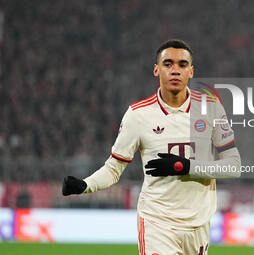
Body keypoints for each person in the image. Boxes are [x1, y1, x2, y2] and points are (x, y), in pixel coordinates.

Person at [62, 39, 241, 255]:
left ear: (191, 71)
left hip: (198, 224)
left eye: (182, 65)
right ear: (156, 70)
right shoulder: (138, 115)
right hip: (157, 222)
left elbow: (233, 166)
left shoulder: (211, 107)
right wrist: (85, 185)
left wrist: (185, 166)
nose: (175, 70)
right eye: (168, 64)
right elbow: (114, 168)